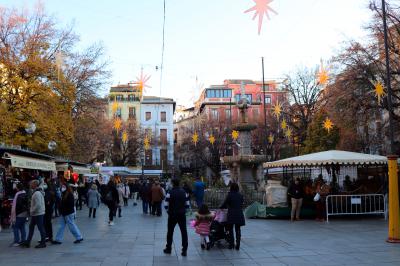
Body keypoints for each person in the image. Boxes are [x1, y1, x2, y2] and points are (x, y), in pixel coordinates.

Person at [163, 178, 190, 257]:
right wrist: (184, 211)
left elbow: (165, 204)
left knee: (170, 231)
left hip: (172, 214)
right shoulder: (184, 192)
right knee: (184, 232)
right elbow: (187, 205)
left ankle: (168, 248)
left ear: (173, 184)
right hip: (181, 214)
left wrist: (168, 212)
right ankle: (184, 250)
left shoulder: (170, 192)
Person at [21, 180, 47, 248]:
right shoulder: (37, 192)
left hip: (38, 213)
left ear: (35, 185)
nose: (30, 185)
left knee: (40, 227)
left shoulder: (37, 193)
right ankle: (28, 242)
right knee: (32, 227)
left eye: (31, 184)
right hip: (37, 213)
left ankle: (43, 242)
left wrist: (32, 210)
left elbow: (38, 205)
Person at [220, 182, 245, 250]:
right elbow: (241, 204)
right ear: (237, 188)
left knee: (230, 229)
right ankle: (238, 244)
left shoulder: (229, 195)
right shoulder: (240, 195)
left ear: (231, 188)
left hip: (231, 214)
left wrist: (221, 207)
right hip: (239, 214)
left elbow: (225, 204)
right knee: (238, 229)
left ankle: (231, 244)